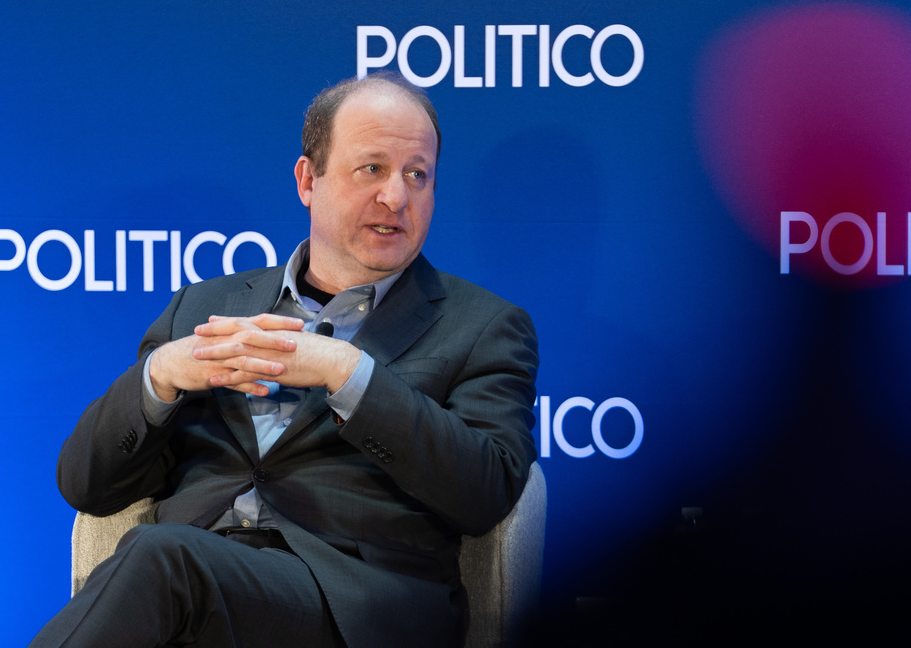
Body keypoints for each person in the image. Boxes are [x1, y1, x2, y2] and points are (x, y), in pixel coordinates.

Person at [31, 73, 539, 647]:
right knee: (164, 565)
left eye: (417, 175)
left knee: (160, 557)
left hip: (350, 606)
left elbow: (487, 490)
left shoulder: (483, 326)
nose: (396, 197)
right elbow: (85, 487)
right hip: (193, 590)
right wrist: (161, 376)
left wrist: (346, 374)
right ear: (308, 179)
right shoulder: (206, 306)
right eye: (372, 168)